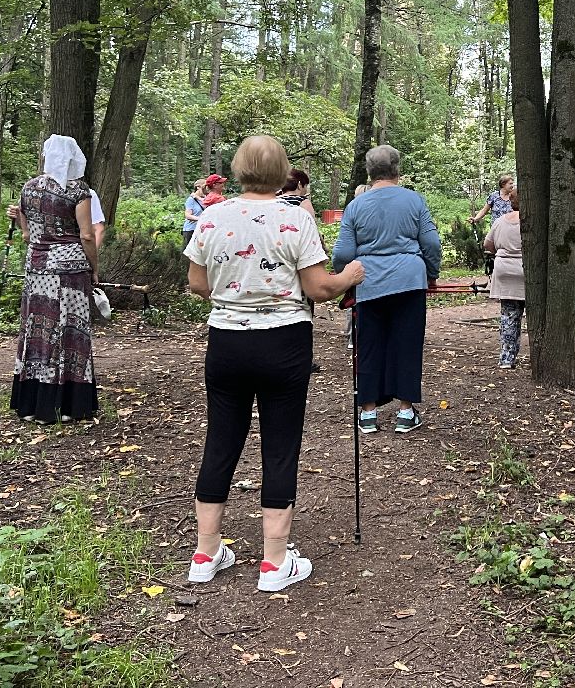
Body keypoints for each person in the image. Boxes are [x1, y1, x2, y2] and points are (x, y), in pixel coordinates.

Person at [184, 135, 364, 590]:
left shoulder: (212, 215)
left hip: (226, 340)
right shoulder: (293, 219)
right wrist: (351, 276)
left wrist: (235, 293)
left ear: (239, 168)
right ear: (284, 171)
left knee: (221, 439)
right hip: (283, 343)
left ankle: (205, 553)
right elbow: (320, 288)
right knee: (280, 443)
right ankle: (273, 562)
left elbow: (197, 282)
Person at [333, 145, 442, 434]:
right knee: (407, 345)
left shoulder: (356, 206)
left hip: (369, 283)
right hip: (409, 281)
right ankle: (405, 413)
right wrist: (431, 274)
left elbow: (342, 252)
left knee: (368, 345)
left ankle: (368, 414)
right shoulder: (414, 200)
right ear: (397, 170)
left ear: (369, 172)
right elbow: (431, 244)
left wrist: (346, 276)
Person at [9, 135, 100, 424]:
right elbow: (86, 234)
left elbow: (26, 233)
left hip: (36, 267)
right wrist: (94, 266)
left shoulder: (29, 187)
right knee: (68, 328)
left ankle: (33, 402)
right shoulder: (77, 190)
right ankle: (69, 403)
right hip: (69, 270)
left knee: (38, 327)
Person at [483, 188, 525, 369]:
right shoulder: (532, 222)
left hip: (505, 272)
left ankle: (506, 359)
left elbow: (488, 244)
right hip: (526, 272)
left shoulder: (500, 221)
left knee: (509, 316)